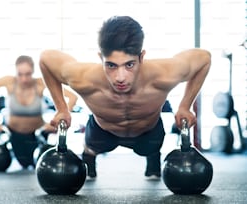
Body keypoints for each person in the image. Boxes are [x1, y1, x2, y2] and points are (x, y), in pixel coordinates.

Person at [39, 16, 211, 179]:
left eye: (129, 64)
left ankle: (153, 157)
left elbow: (204, 58)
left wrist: (185, 106)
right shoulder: (83, 78)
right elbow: (46, 60)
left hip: (148, 133)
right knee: (91, 148)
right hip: (102, 131)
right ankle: (89, 155)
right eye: (111, 65)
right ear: (101, 58)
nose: (120, 77)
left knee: (151, 149)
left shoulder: (164, 74)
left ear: (141, 57)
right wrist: (61, 108)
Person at [0, 55, 78, 169]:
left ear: (32, 72)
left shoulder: (41, 83)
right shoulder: (8, 81)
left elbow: (72, 97)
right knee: (23, 164)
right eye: (20, 74)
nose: (24, 79)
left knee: (39, 166)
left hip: (37, 136)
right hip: (14, 134)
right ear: (16, 72)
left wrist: (59, 118)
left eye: (27, 74)